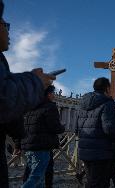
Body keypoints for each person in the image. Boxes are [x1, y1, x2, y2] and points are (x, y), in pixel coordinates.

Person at [0, 1, 55, 186]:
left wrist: (17, 141)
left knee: (32, 173)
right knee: (36, 175)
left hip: (28, 145)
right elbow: (4, 99)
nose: (8, 31)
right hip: (41, 145)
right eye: (4, 24)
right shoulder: (48, 107)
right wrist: (35, 81)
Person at [13, 85, 64, 187]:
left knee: (35, 177)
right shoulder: (50, 107)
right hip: (42, 147)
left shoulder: (29, 107)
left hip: (28, 147)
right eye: (52, 93)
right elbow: (55, 127)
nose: (54, 95)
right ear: (48, 94)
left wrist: (17, 145)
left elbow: (21, 127)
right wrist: (62, 128)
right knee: (36, 178)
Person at [75, 77, 115, 188]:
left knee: (91, 181)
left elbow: (77, 129)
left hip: (85, 150)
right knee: (100, 183)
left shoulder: (82, 105)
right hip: (101, 152)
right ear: (107, 88)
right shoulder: (107, 103)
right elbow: (109, 129)